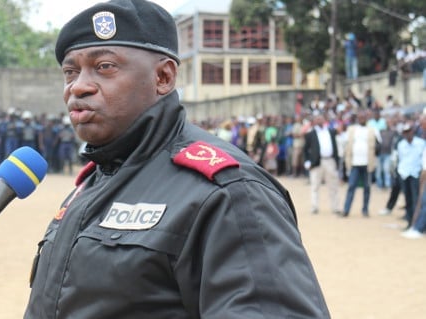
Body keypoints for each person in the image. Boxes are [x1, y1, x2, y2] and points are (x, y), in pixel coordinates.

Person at [23, 1, 331, 318]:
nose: (79, 86)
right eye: (70, 72)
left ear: (163, 77)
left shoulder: (227, 194)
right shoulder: (92, 184)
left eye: (104, 67)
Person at [341, 111, 380, 217]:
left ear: (366, 118)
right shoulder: (351, 129)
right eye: (360, 117)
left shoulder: (372, 130)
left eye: (363, 117)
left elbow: (378, 144)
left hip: (367, 164)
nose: (362, 118)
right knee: (351, 186)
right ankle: (346, 210)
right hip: (354, 163)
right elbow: (345, 144)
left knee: (367, 188)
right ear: (357, 118)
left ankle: (365, 210)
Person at [303, 113, 341, 215]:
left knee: (333, 185)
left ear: (324, 120)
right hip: (316, 162)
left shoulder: (330, 131)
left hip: (330, 161)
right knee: (315, 185)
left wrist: (337, 161)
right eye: (317, 119)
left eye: (321, 119)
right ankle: (314, 207)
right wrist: (307, 162)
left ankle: (335, 207)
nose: (319, 121)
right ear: (314, 121)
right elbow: (305, 149)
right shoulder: (310, 134)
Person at [396, 122, 425, 229]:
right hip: (404, 174)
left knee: (416, 199)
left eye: (409, 131)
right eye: (405, 132)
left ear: (413, 132)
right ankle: (409, 222)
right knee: (408, 199)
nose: (407, 134)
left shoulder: (421, 143)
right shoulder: (401, 145)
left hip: (415, 174)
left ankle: (417, 223)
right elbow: (401, 159)